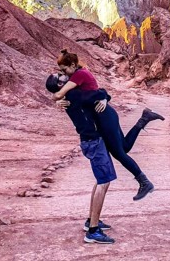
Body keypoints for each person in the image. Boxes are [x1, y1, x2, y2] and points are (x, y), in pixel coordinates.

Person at [50, 49, 165, 201]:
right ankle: (144, 119)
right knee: (124, 148)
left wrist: (58, 99)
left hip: (104, 118)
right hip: (106, 115)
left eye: (63, 71)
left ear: (72, 65)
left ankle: (144, 182)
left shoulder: (77, 79)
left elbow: (97, 93)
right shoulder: (75, 86)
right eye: (60, 74)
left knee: (119, 153)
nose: (63, 74)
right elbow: (96, 93)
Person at [44, 73, 115, 244]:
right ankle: (93, 231)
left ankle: (91, 220)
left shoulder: (72, 96)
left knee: (101, 180)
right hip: (93, 142)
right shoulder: (74, 95)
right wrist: (105, 98)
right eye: (61, 78)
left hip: (91, 141)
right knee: (104, 181)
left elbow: (97, 94)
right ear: (61, 86)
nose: (66, 77)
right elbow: (99, 93)